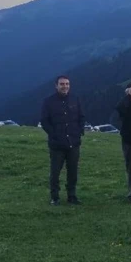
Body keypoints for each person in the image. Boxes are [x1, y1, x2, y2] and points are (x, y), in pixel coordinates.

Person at [40, 75, 85, 206]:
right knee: (55, 172)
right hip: (57, 144)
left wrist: (78, 132)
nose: (65, 86)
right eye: (62, 84)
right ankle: (55, 197)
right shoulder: (48, 102)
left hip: (73, 142)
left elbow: (81, 117)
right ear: (56, 86)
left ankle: (72, 196)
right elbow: (44, 121)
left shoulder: (75, 99)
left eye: (67, 84)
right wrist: (54, 135)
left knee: (73, 171)